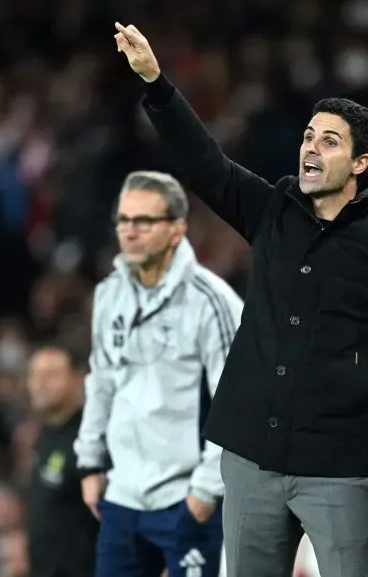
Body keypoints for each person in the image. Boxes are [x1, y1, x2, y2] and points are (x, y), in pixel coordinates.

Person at [113, 21, 368, 577]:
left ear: (359, 164)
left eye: (329, 142)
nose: (310, 147)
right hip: (251, 453)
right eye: (308, 136)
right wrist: (157, 84)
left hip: (338, 463)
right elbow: (205, 164)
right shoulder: (274, 209)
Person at [73, 171, 244, 577]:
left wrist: (205, 489)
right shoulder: (109, 294)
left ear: (176, 229)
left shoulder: (211, 301)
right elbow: (101, 380)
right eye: (123, 220)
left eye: (144, 221)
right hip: (122, 497)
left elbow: (237, 399)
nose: (130, 232)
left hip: (187, 497)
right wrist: (90, 462)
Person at [26, 344, 100, 577]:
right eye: (34, 375)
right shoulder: (44, 436)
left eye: (51, 375)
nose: (39, 384)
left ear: (78, 378)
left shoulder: (90, 438)